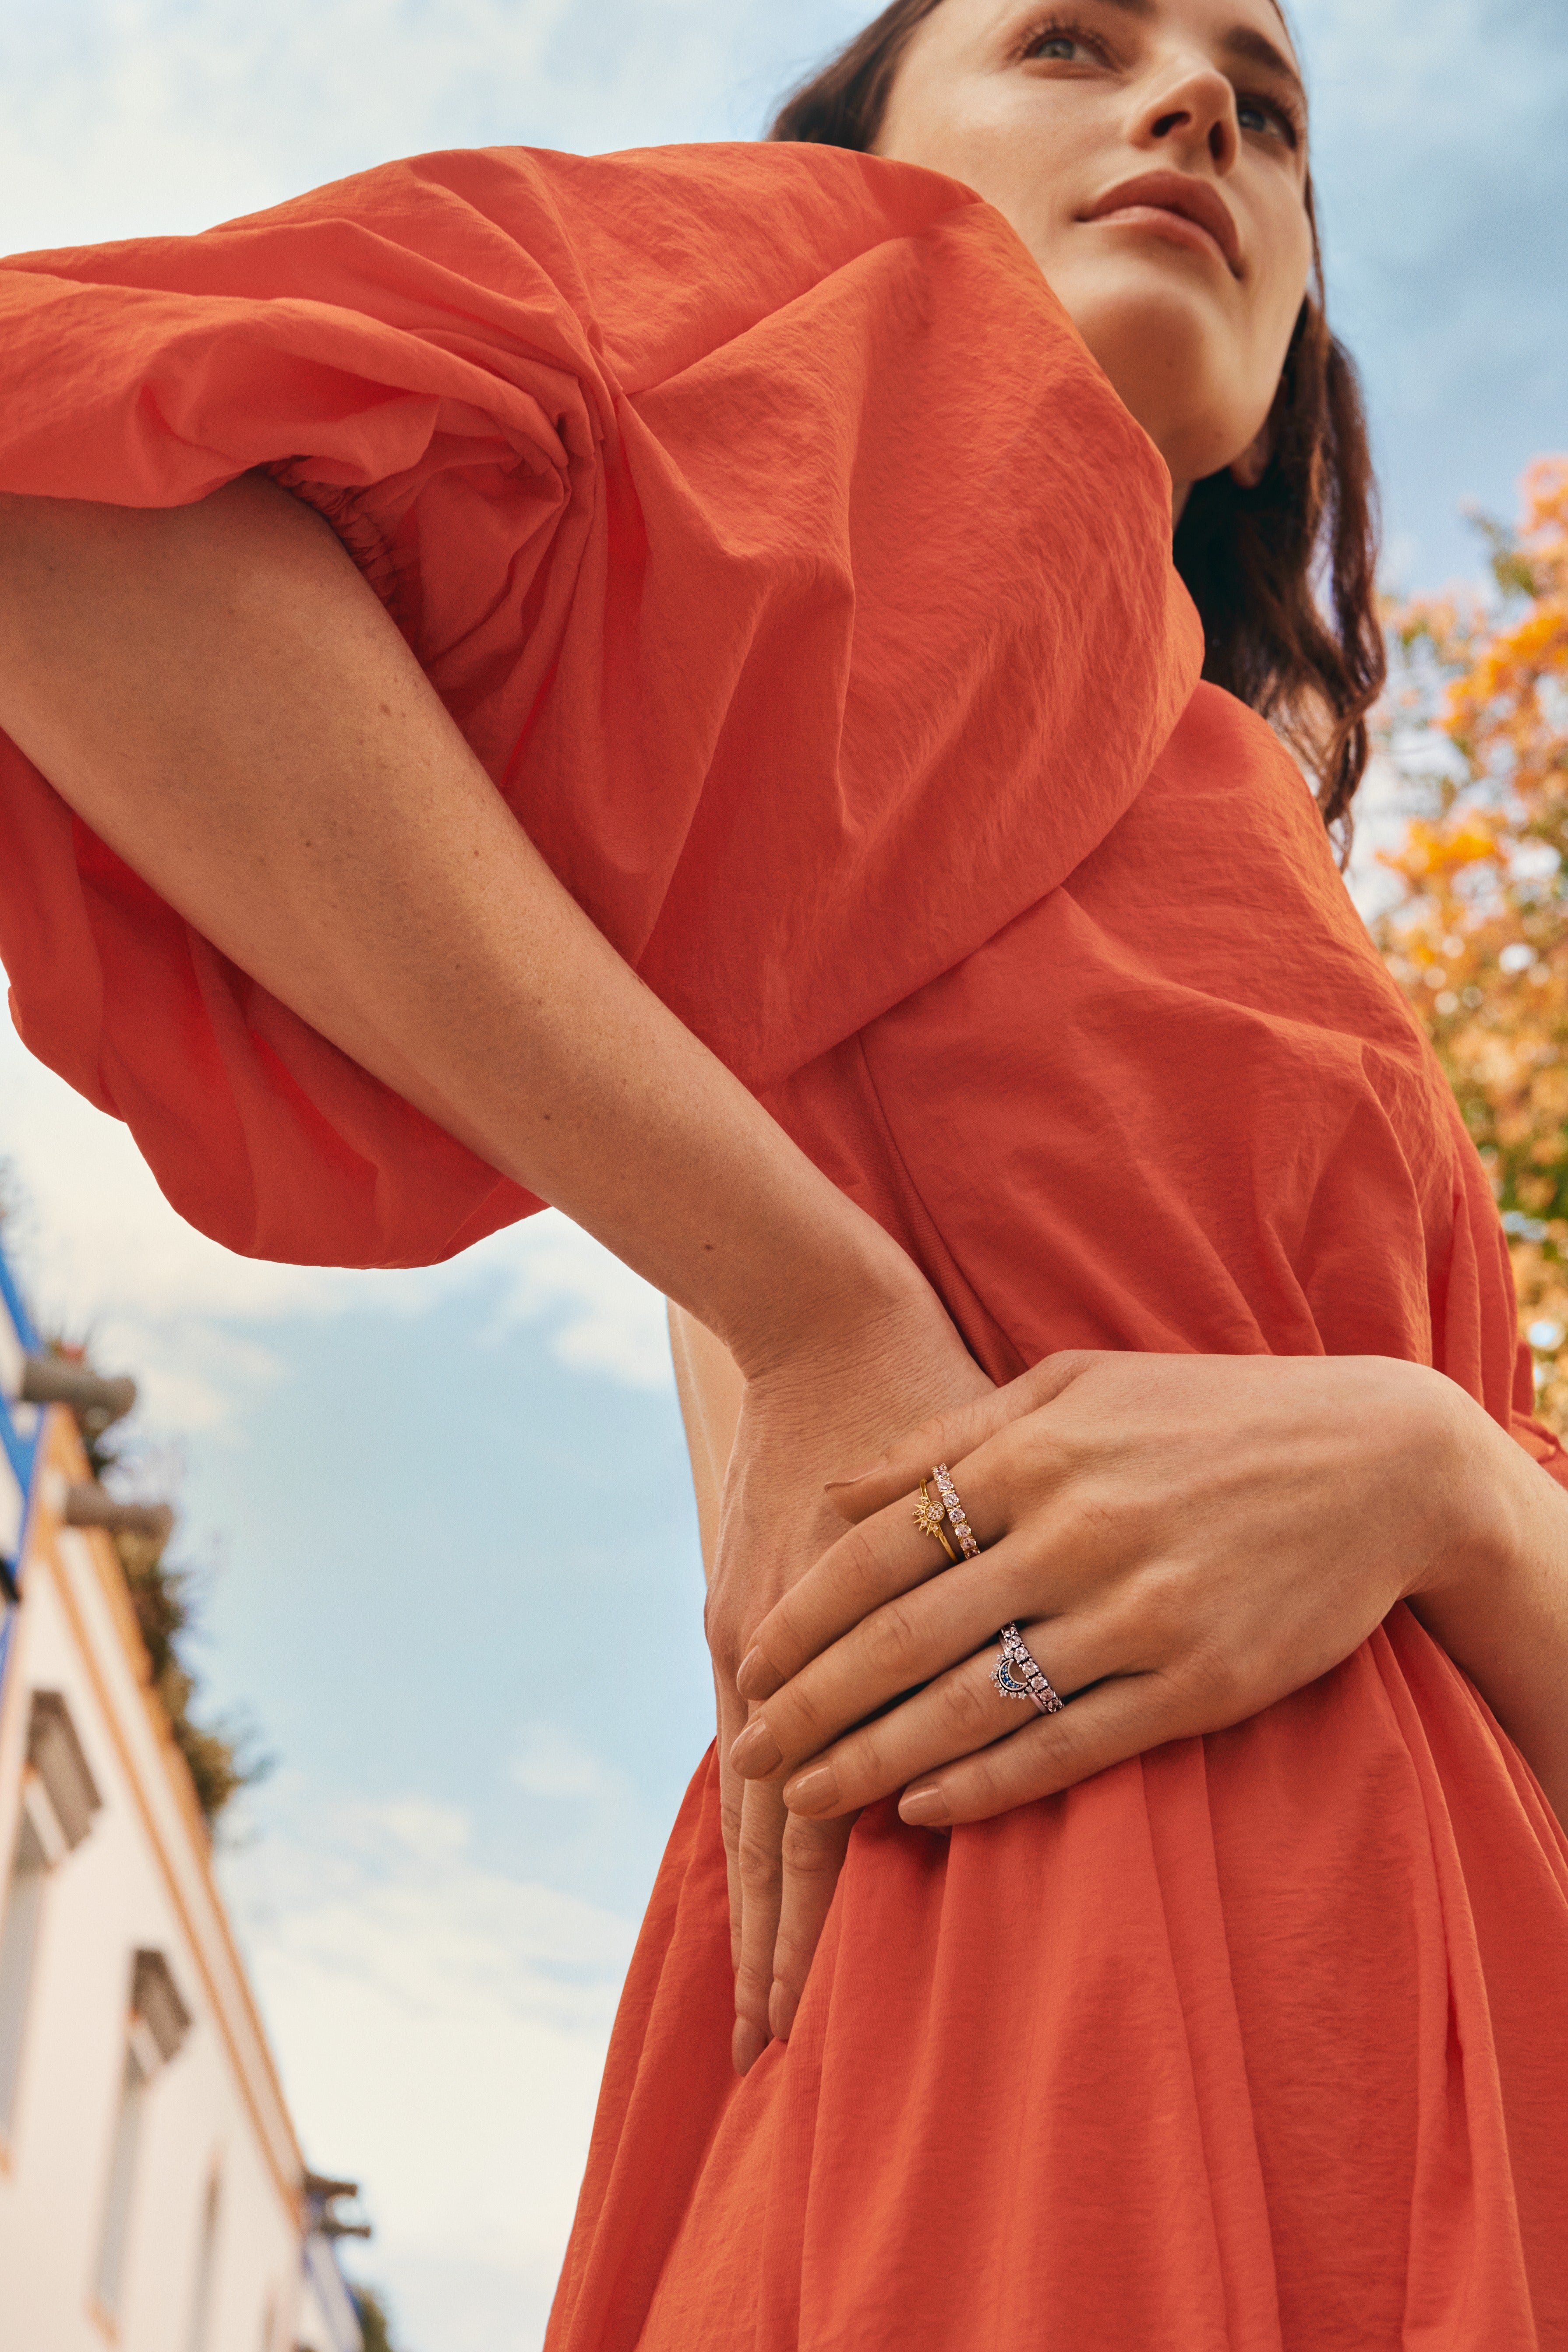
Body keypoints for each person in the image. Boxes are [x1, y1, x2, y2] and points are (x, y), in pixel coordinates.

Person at [0, 0, 1564, 2341]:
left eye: (1272, 107)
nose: (1197, 110)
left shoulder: (1256, 846)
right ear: (874, 163)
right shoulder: (882, 343)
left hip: (1452, 2078)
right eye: (1065, 39)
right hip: (1061, 2015)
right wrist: (803, 1295)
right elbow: (57, 473)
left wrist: (1433, 1475)